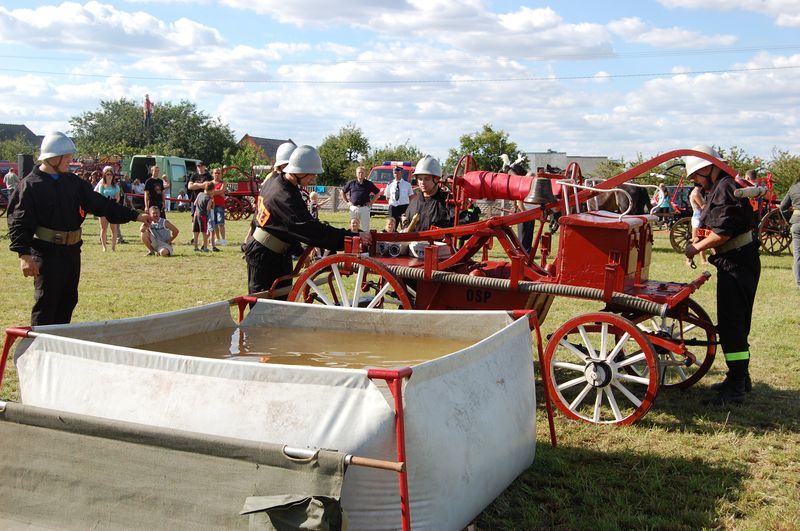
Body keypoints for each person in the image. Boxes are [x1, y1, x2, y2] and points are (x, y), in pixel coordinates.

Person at [7, 131, 151, 326]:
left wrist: (135, 215)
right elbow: (18, 221)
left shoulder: (73, 183)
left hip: (72, 252)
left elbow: (102, 204)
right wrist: (24, 255)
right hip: (46, 254)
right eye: (66, 156)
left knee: (68, 301)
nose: (70, 160)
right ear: (52, 158)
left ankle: (61, 349)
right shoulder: (30, 186)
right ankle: (40, 352)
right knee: (47, 304)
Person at [683, 145, 760, 405]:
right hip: (735, 261)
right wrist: (701, 233)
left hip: (736, 263)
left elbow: (724, 232)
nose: (694, 180)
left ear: (707, 167)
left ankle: (736, 386)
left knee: (732, 324)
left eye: (695, 175)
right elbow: (720, 224)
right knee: (735, 322)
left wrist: (695, 248)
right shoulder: (721, 186)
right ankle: (739, 377)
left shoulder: (725, 187)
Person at [244, 145, 372, 297]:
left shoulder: (282, 184)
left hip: (278, 254)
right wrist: (350, 236)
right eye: (312, 174)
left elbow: (290, 227)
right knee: (262, 307)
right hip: (264, 256)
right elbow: (312, 230)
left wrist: (298, 251)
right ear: (299, 171)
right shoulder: (283, 196)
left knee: (281, 302)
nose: (314, 178)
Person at [402, 155, 451, 232]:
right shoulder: (414, 202)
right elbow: (406, 221)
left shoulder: (447, 201)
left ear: (436, 179)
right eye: (420, 179)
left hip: (439, 243)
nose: (422, 182)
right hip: (414, 243)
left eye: (427, 179)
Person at [341, 166, 379, 230]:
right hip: (354, 208)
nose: (360, 174)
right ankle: (354, 239)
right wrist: (347, 202)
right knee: (353, 227)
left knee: (365, 228)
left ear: (365, 174)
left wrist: (371, 203)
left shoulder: (369, 183)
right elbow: (342, 192)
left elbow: (378, 193)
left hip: (365, 208)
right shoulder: (351, 183)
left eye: (362, 173)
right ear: (356, 174)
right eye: (359, 172)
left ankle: (365, 240)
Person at [95, 166, 121, 252]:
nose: (109, 176)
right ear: (104, 176)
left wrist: (113, 201)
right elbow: (99, 197)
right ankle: (104, 247)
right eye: (107, 174)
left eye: (111, 174)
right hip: (103, 209)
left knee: (114, 228)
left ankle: (113, 247)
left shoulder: (116, 186)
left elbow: (117, 198)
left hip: (112, 208)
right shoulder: (102, 186)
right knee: (103, 228)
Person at [780, 179, 800, 289]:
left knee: (798, 254)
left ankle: (799, 283)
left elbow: (782, 207)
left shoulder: (794, 188)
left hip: (796, 222)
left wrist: (789, 220)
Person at [688, 183, 709, 266]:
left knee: (700, 239)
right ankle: (690, 260)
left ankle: (702, 260)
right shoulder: (696, 193)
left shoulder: (697, 192)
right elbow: (702, 206)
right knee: (696, 239)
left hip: (699, 217)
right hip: (698, 218)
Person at [193, 181, 214, 252]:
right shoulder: (209, 199)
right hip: (203, 216)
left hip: (196, 214)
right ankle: (205, 248)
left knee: (196, 232)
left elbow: (195, 203)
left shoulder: (200, 194)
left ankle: (195, 247)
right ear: (212, 190)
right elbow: (208, 209)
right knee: (204, 232)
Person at [210, 167, 227, 245]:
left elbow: (222, 190)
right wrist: (219, 193)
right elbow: (208, 192)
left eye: (218, 173)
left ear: (221, 174)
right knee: (215, 223)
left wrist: (213, 192)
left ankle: (223, 240)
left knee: (221, 223)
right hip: (212, 205)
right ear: (212, 174)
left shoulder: (223, 182)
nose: (217, 174)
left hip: (220, 205)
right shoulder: (210, 183)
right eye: (215, 173)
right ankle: (217, 239)